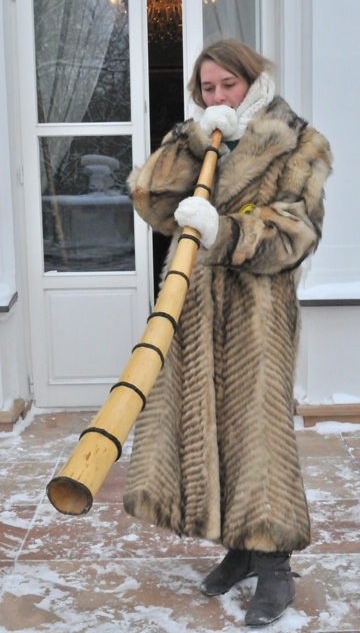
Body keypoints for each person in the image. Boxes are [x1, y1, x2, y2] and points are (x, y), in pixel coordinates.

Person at [124, 39, 332, 627]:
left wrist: (226, 231)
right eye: (207, 88)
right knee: (205, 424)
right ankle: (238, 548)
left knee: (258, 434)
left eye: (228, 85)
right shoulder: (200, 138)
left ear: (252, 80)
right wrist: (190, 142)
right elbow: (151, 200)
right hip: (191, 306)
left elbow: (296, 233)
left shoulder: (300, 143)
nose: (218, 95)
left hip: (255, 312)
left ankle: (276, 567)